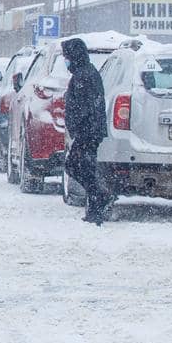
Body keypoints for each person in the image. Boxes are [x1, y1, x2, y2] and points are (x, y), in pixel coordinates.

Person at [61, 36, 112, 224]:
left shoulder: (84, 75)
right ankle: (96, 204)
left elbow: (85, 106)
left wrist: (77, 125)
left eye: (66, 55)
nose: (65, 60)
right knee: (83, 167)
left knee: (76, 166)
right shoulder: (84, 73)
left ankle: (99, 198)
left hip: (88, 131)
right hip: (89, 131)